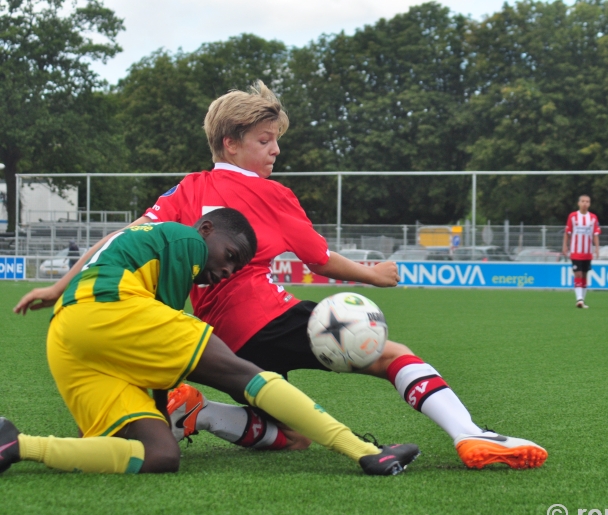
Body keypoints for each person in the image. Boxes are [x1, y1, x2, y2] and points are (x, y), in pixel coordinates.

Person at [14, 81, 547, 470]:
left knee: (291, 438)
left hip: (217, 337)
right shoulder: (271, 194)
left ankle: (198, 414)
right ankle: (472, 435)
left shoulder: (185, 191)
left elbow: (118, 241)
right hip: (265, 316)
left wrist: (59, 285)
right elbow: (319, 261)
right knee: (389, 352)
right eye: (266, 140)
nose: (276, 150)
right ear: (231, 143)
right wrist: (374, 275)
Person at [3, 208, 419, 476]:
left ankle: (16, 445)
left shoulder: (146, 236)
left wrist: (58, 290)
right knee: (244, 374)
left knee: (159, 456)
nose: (226, 270)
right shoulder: (184, 241)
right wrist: (159, 398)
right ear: (205, 229)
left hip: (68, 336)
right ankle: (364, 451)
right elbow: (167, 356)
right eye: (230, 255)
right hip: (111, 311)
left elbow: (110, 245)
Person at [562, 195, 600, 309]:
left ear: (590, 204)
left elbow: (596, 234)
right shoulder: (573, 216)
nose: (585, 203)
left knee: (584, 275)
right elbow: (567, 232)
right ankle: (579, 299)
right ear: (579, 203)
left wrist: (597, 248)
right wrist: (565, 245)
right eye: (583, 201)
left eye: (587, 201)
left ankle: (582, 300)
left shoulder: (593, 218)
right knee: (577, 273)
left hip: (587, 252)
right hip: (576, 251)